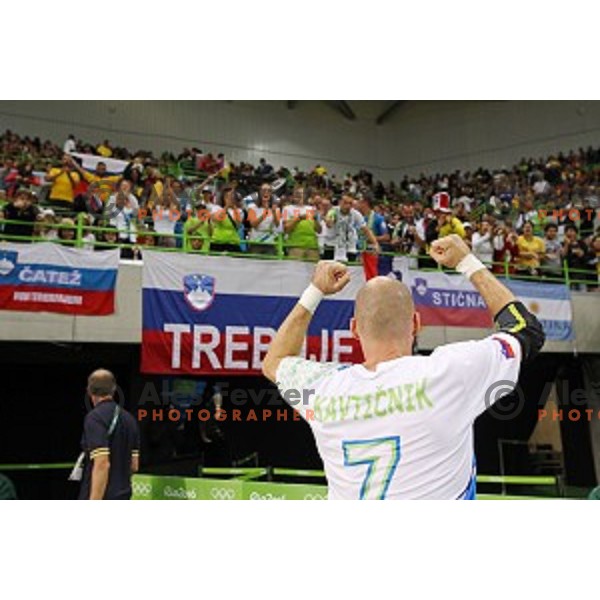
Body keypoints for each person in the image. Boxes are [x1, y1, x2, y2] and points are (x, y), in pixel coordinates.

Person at [262, 235, 545, 499]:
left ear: (354, 330)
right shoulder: (451, 372)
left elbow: (274, 361)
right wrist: (466, 262)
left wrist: (315, 291)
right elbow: (526, 331)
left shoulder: (322, 390)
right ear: (417, 324)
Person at [78, 369, 140, 500]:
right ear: (113, 389)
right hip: (124, 495)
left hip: (102, 496)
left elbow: (102, 463)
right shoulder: (130, 419)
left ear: (89, 391)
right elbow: (134, 465)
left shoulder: (94, 418)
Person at [325, 193, 380, 262]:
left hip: (350, 248)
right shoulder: (333, 211)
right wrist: (329, 222)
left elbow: (366, 230)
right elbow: (329, 223)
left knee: (348, 271)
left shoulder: (356, 214)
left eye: (350, 203)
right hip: (332, 247)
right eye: (345, 203)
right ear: (340, 202)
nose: (347, 206)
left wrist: (375, 243)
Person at [282, 186, 321, 260]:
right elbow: (286, 229)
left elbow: (319, 230)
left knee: (312, 270)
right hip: (295, 246)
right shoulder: (286, 209)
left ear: (305, 196)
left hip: (312, 246)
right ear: (293, 196)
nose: (299, 195)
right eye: (297, 193)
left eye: (301, 193)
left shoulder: (312, 209)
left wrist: (315, 220)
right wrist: (299, 218)